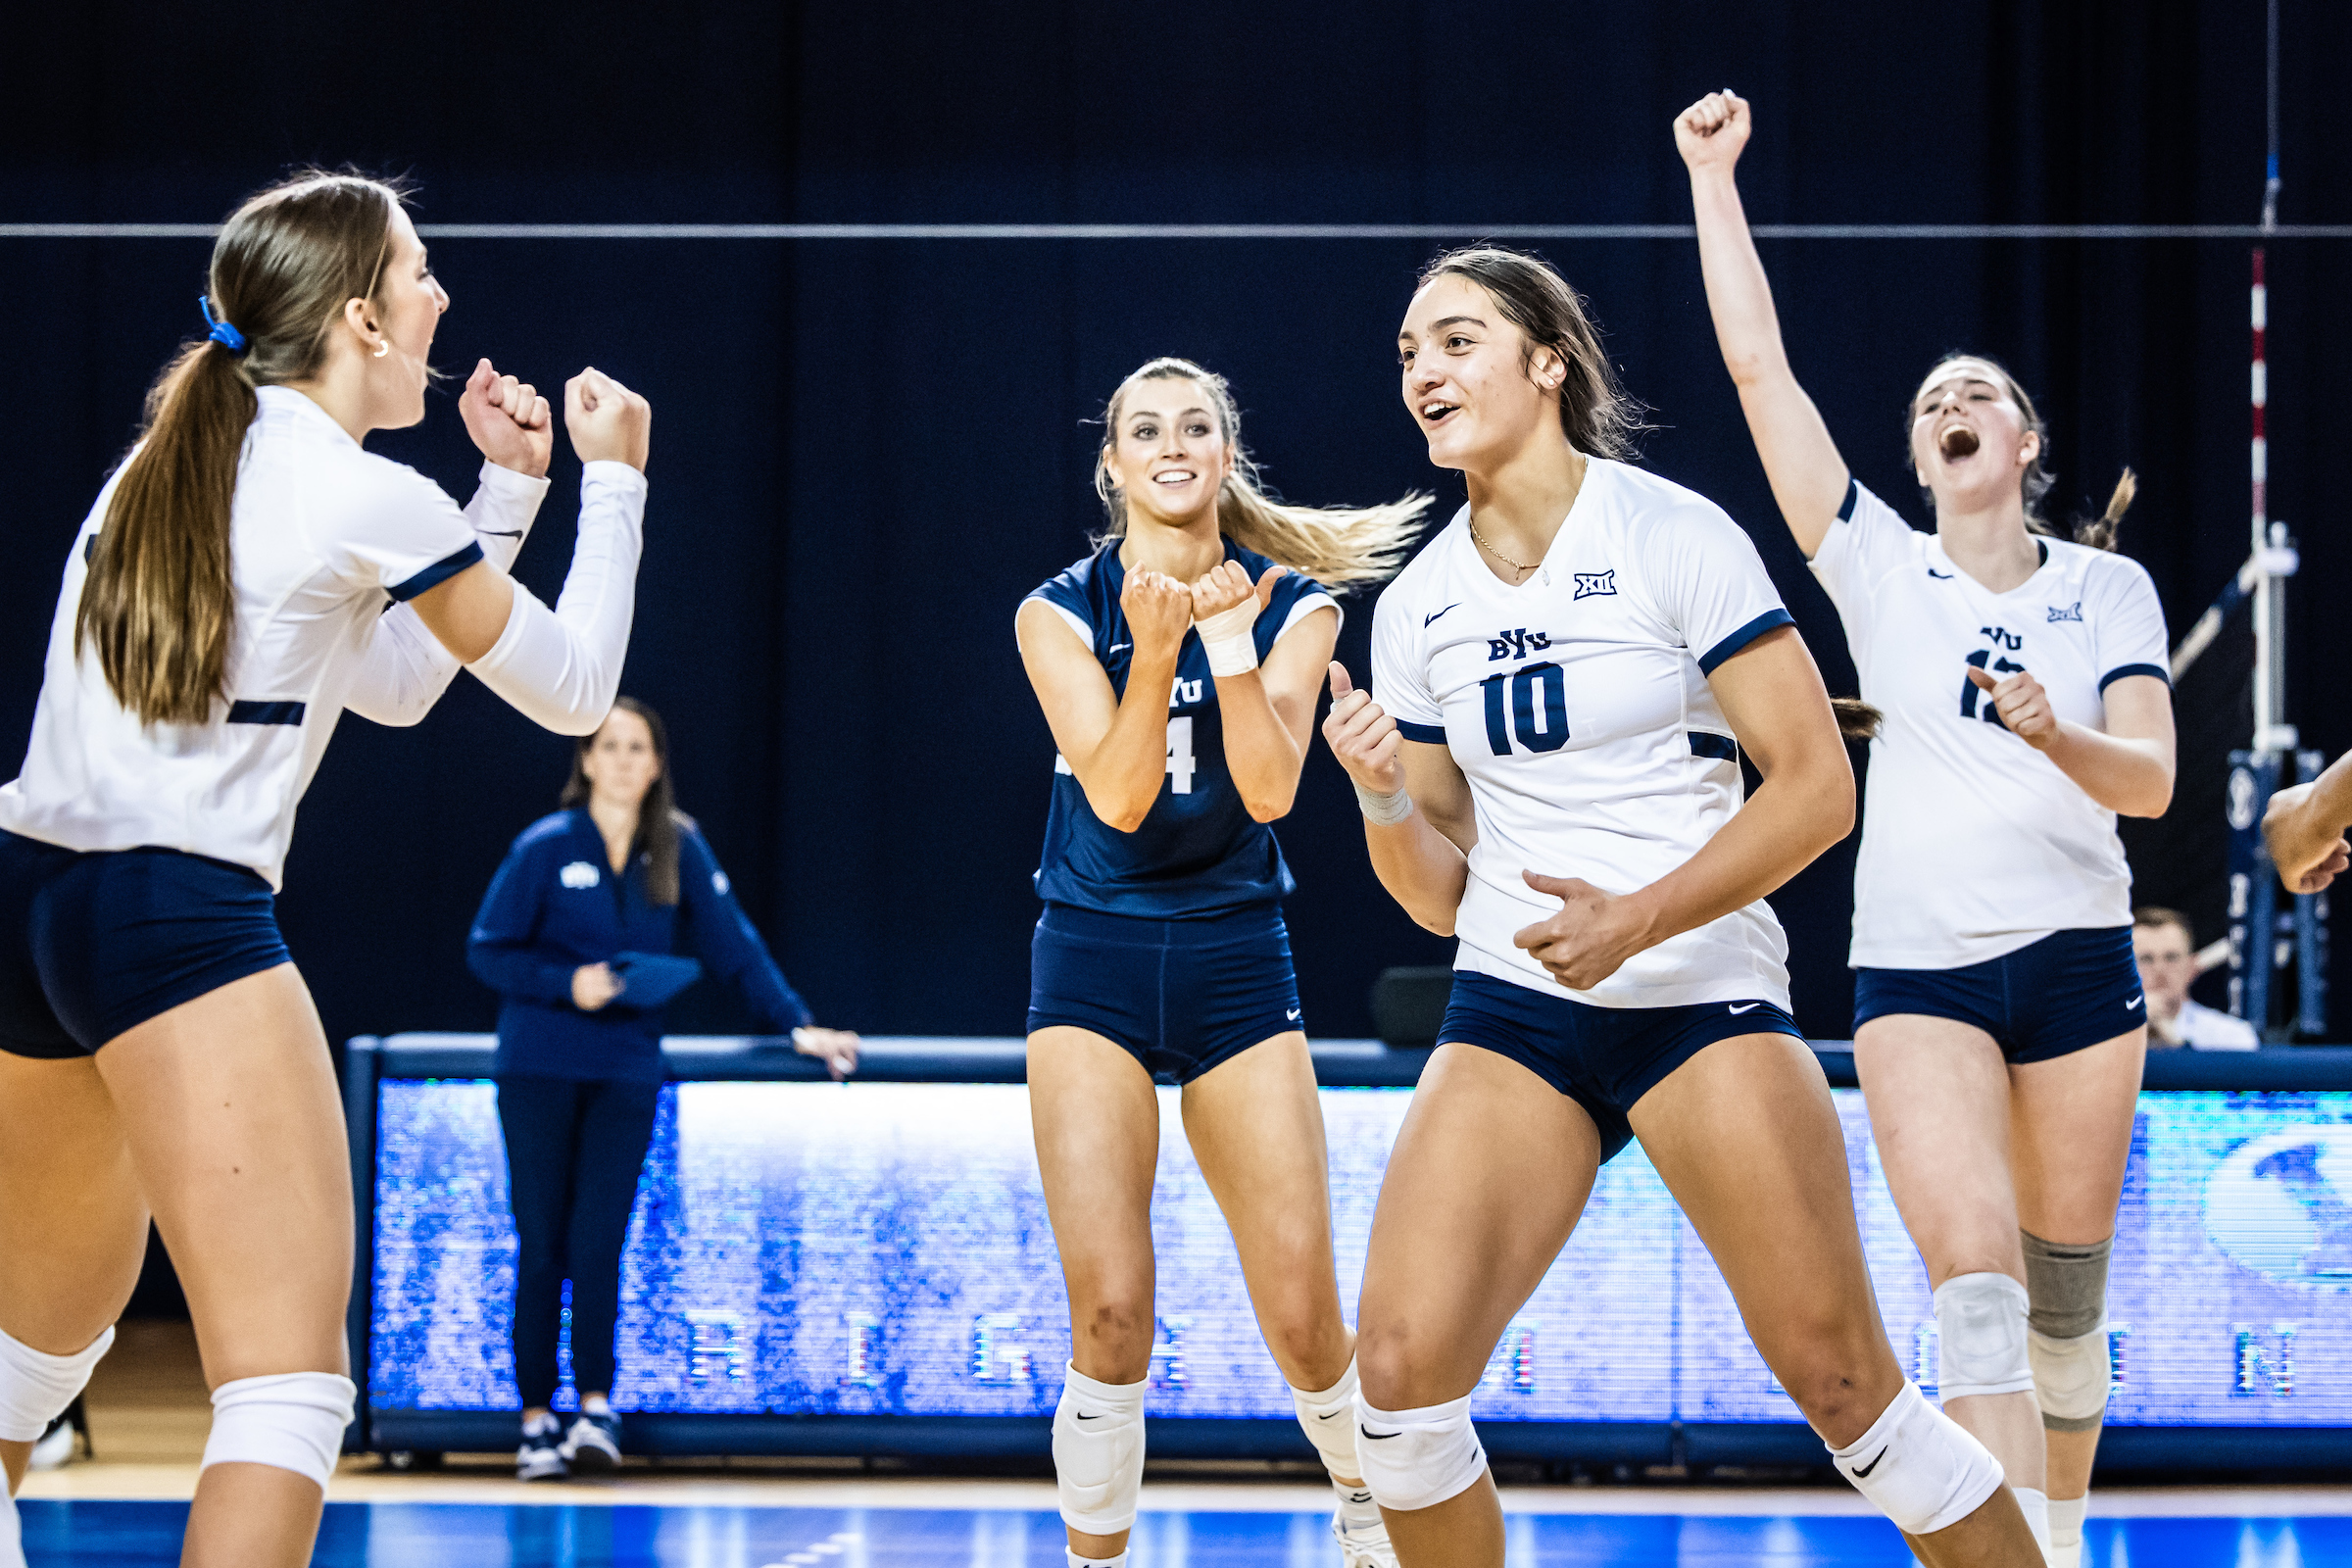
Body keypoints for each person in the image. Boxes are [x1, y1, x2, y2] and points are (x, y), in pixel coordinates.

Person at [1321, 242, 2039, 1568]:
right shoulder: (1418, 605)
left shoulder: (1668, 532)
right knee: (1402, 1385)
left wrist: (1637, 919)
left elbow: (1818, 791)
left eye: (1459, 339)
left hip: (1696, 996)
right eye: (1411, 352)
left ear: (1548, 361)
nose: (1425, 369)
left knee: (1848, 1393)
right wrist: (1377, 798)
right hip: (1515, 1007)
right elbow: (1434, 897)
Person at [0, 171, 651, 1568]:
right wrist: (617, 482)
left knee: (22, 1366)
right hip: (172, 916)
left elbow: (398, 683)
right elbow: (581, 690)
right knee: (289, 1391)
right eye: (422, 274)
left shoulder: (169, 465)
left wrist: (505, 490)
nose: (442, 299)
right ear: (361, 317)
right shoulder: (355, 490)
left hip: (31, 906)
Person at [1677, 90, 2178, 1568]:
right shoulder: (1881, 573)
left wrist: (2055, 731)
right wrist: (1715, 180)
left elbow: (2144, 783)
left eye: (1976, 394)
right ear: (1922, 458)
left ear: (2022, 439)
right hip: (1920, 974)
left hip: (2081, 966)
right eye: (1927, 405)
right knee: (1974, 1291)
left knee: (2065, 1315)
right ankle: (2024, 1558)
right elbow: (1761, 373)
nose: (1948, 406)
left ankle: (2061, 1526)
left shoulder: (2108, 593)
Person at [1014, 357, 1430, 1568]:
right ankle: (1098, 1559)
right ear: (1117, 465)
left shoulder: (1299, 602)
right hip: (1090, 956)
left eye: (1196, 424)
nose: (1173, 442)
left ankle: (1363, 1501)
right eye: (1147, 428)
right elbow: (1124, 794)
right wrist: (1153, 652)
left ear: (1225, 454)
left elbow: (1267, 787)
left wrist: (1229, 642)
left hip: (1237, 959)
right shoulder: (1055, 610)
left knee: (1305, 1324)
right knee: (1110, 1315)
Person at [467, 697, 859, 1481]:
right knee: (541, 1245)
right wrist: (562, 982)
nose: (622, 760)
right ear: (585, 760)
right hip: (539, 1066)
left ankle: (595, 1407)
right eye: (608, 746)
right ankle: (536, 1417)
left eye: (637, 747)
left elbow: (734, 947)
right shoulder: (546, 848)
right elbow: (488, 950)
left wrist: (797, 1025)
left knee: (598, 1243)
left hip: (623, 1073)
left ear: (655, 763)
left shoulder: (676, 848)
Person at [2131, 907, 2257, 1050]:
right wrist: (2132, 1020)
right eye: (2146, 959)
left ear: (2190, 967)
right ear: (2126, 968)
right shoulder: (2107, 1032)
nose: (2160, 969)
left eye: (2171, 957)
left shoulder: (2230, 1037)